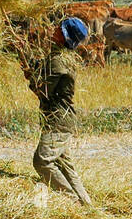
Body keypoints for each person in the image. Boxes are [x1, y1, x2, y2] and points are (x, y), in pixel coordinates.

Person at [28, 17, 93, 206]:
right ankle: (87, 205)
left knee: (42, 161)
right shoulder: (60, 57)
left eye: (59, 29)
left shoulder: (58, 61)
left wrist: (31, 78)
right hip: (60, 119)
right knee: (65, 166)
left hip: (58, 120)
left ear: (64, 37)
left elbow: (42, 90)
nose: (54, 30)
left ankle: (72, 201)